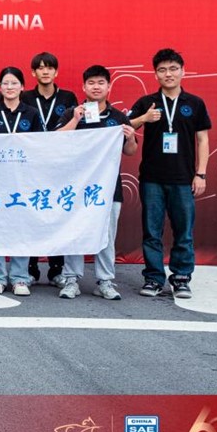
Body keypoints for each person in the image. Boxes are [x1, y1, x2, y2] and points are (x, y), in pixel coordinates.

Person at [127, 49, 211, 299]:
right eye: (162, 70)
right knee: (151, 232)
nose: (168, 74)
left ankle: (181, 278)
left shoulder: (194, 103)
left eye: (173, 69)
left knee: (184, 232)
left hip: (183, 179)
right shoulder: (147, 102)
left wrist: (201, 174)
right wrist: (144, 118)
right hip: (152, 178)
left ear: (183, 71)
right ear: (155, 74)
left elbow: (203, 140)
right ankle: (153, 278)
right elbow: (125, 125)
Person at [55, 65, 138, 301]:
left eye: (101, 83)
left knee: (106, 235)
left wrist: (131, 137)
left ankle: (105, 281)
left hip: (109, 188)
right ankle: (71, 279)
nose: (96, 87)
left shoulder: (118, 117)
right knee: (74, 232)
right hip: (76, 187)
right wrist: (75, 119)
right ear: (83, 87)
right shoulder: (72, 112)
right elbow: (56, 140)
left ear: (109, 87)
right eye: (91, 83)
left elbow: (130, 151)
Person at [0, 67, 42, 296]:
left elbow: (40, 145)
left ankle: (19, 278)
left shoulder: (31, 113)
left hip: (23, 180)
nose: (10, 87)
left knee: (21, 229)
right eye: (5, 83)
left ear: (22, 87)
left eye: (14, 83)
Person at [21, 51, 77, 285]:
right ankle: (31, 268)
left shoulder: (68, 97)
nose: (45, 71)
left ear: (56, 72)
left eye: (49, 67)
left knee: (57, 214)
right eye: (40, 68)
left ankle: (56, 269)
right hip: (32, 164)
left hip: (59, 164)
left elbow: (77, 128)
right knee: (32, 213)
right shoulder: (24, 97)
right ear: (33, 72)